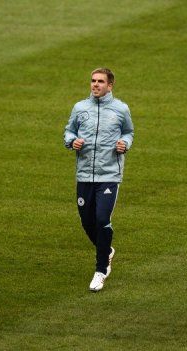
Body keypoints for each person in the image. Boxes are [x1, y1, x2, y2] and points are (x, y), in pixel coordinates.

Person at [64, 68, 134, 291]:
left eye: (100, 81)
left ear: (110, 85)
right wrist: (71, 141)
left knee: (102, 218)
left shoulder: (120, 109)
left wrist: (125, 144)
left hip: (109, 174)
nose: (95, 85)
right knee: (87, 221)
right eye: (93, 81)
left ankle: (100, 270)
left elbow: (128, 132)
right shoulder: (80, 108)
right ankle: (107, 250)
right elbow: (68, 131)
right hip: (85, 174)